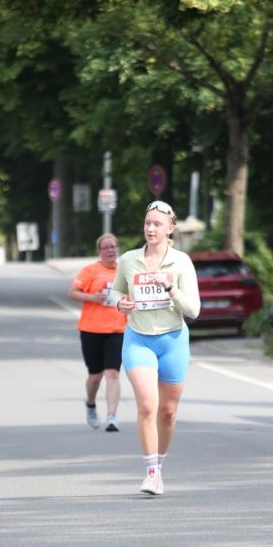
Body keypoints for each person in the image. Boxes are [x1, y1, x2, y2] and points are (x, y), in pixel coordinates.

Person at [110, 200, 200, 496]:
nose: (150, 229)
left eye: (157, 224)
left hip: (173, 340)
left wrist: (171, 288)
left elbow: (194, 309)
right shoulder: (128, 259)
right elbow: (115, 292)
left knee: (168, 412)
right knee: (147, 405)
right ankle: (151, 474)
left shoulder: (181, 262)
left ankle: (159, 465)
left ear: (170, 228)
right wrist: (119, 303)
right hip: (138, 339)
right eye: (147, 223)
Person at [68, 234, 127, 432]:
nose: (111, 250)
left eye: (114, 246)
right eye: (106, 247)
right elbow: (72, 293)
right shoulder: (90, 271)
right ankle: (91, 405)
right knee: (95, 376)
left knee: (112, 373)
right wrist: (92, 297)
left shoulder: (124, 272)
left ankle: (112, 417)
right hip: (91, 329)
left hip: (117, 330)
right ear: (99, 251)